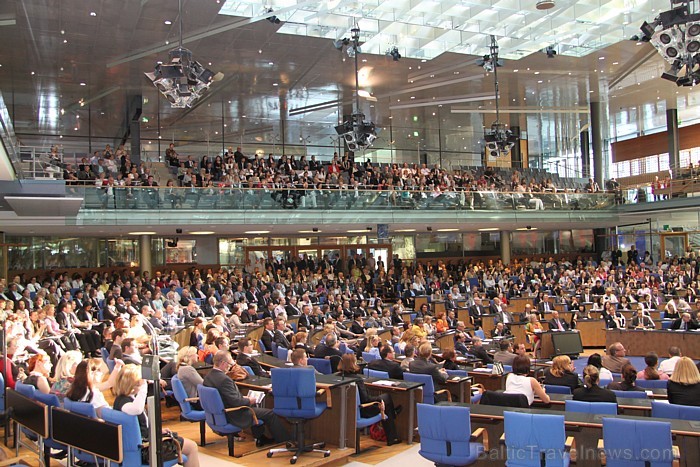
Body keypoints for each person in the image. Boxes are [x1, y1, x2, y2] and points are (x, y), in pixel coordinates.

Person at [114, 365, 200, 467]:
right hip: (145, 449)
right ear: (133, 383)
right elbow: (137, 409)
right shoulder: (124, 403)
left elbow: (139, 425)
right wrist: (143, 387)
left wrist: (156, 431)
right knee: (192, 447)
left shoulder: (121, 400)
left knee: (182, 441)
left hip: (143, 442)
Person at [203, 350, 289, 446]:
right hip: (234, 414)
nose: (231, 366)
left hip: (220, 413)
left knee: (256, 409)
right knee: (270, 413)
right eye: (230, 364)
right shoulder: (224, 379)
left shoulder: (208, 376)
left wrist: (243, 398)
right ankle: (284, 441)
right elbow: (236, 402)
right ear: (223, 363)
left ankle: (260, 437)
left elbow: (226, 396)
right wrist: (249, 400)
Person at [336, 354, 400, 446]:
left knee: (385, 400)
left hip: (344, 409)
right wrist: (378, 399)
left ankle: (393, 416)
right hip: (362, 410)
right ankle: (392, 437)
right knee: (386, 399)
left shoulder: (336, 376)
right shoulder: (357, 379)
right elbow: (366, 400)